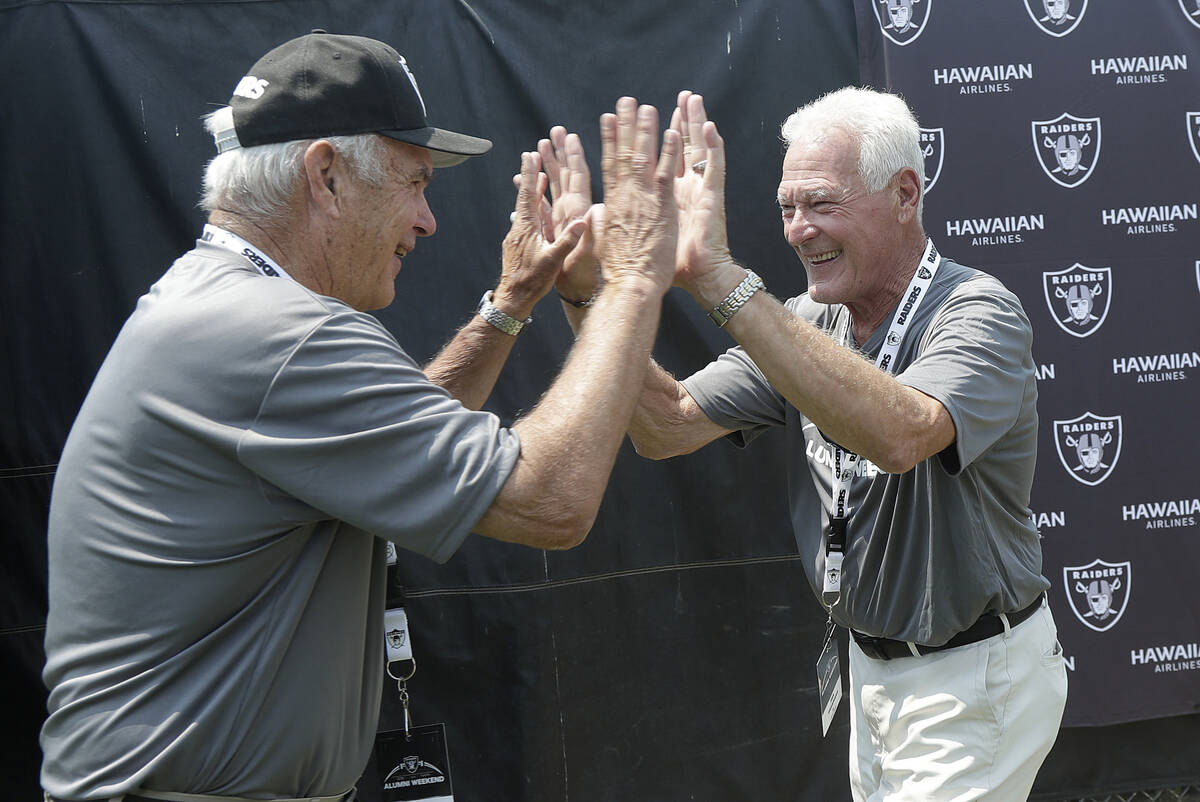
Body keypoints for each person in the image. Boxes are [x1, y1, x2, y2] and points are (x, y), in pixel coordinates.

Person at [39, 31, 683, 802]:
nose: (427, 220)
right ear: (327, 176)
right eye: (414, 182)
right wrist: (634, 283)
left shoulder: (224, 301)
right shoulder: (281, 333)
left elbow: (401, 445)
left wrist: (509, 309)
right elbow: (550, 501)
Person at [552, 86, 1068, 800]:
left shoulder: (977, 311)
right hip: (872, 673)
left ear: (906, 195)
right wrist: (589, 297)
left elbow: (901, 433)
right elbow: (662, 425)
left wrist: (722, 281)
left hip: (973, 677)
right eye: (787, 208)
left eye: (821, 203)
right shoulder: (803, 322)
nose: (798, 230)